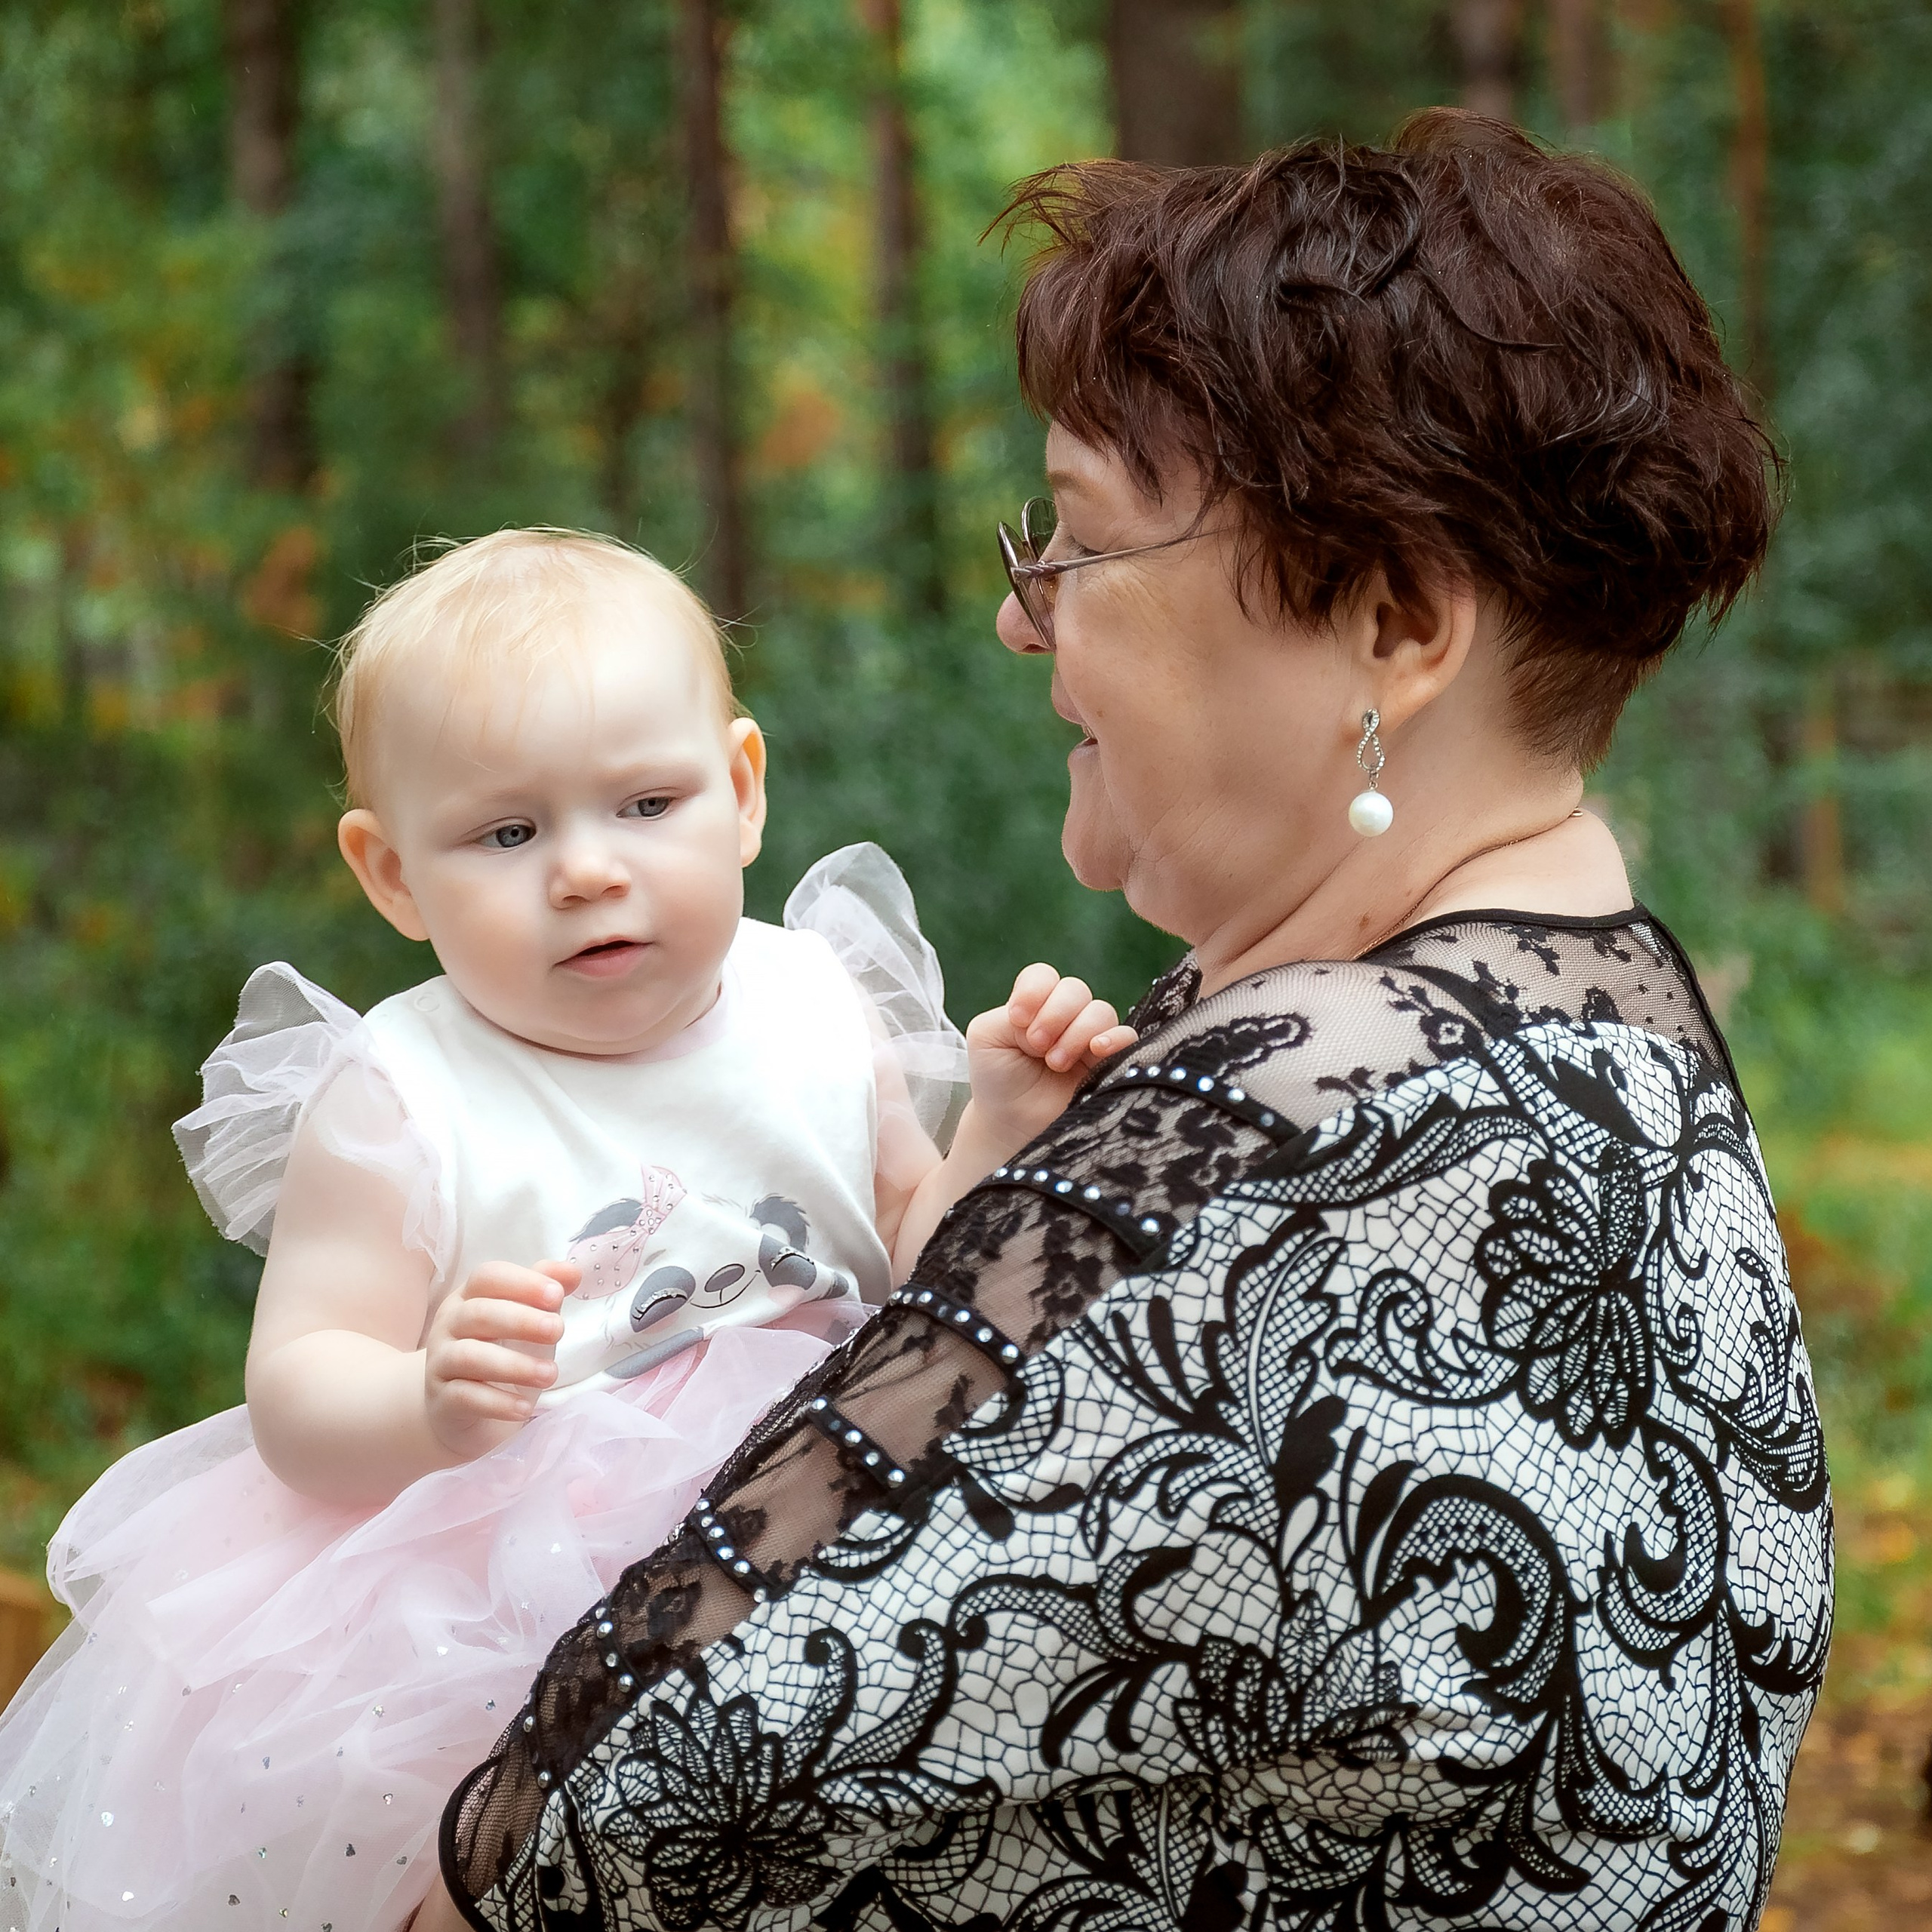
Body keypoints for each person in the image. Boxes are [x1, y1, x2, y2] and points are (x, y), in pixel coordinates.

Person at [420, 112, 1831, 1932]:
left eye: (1076, 543)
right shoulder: (1616, 1040)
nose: (1024, 624)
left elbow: (589, 1813)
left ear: (1392, 620)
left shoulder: (1303, 1141)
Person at [0, 530, 1134, 1931]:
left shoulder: (816, 999)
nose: (587, 871)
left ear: (743, 789)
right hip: (500, 1599)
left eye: (648, 804)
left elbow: (921, 1261)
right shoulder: (399, 1093)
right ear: (393, 876)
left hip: (822, 1520)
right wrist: (423, 1401)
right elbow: (298, 1388)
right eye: (507, 832)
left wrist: (997, 1131)